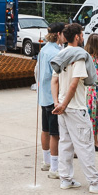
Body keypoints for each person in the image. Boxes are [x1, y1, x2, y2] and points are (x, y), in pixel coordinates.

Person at [51, 23, 98, 195]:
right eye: (82, 34)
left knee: (66, 144)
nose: (83, 36)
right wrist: (63, 104)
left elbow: (54, 80)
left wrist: (57, 102)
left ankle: (66, 179)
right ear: (77, 36)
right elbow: (74, 83)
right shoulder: (78, 56)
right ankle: (95, 183)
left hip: (62, 107)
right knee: (86, 145)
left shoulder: (61, 54)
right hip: (75, 107)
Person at [35, 24, 64, 177]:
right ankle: (54, 167)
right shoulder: (55, 53)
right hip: (52, 96)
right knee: (55, 133)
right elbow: (56, 78)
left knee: (45, 129)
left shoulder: (44, 49)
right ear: (58, 34)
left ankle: (46, 161)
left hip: (43, 96)